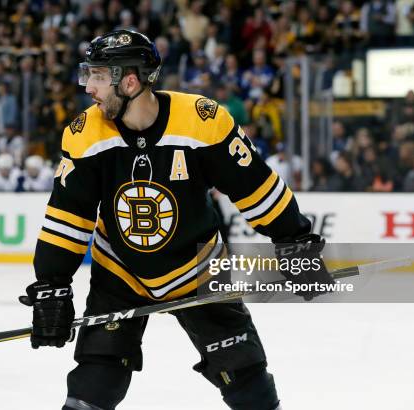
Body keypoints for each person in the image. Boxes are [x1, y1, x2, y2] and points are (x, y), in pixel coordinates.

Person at [20, 30, 333, 410]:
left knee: (247, 381)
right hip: (120, 271)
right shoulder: (85, 134)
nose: (88, 87)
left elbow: (256, 188)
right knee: (94, 382)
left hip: (197, 267)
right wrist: (52, 284)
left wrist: (294, 241)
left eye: (98, 76)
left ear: (130, 81)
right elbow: (68, 218)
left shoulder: (202, 121)